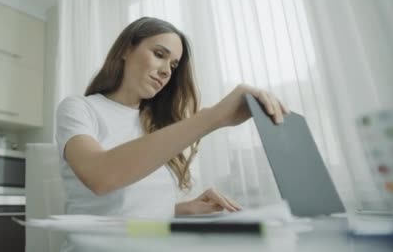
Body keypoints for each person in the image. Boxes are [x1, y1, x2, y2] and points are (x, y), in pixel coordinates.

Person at [55, 16, 289, 222]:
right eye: (159, 55)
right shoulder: (79, 108)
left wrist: (184, 209)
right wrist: (213, 116)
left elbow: (129, 212)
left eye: (173, 65)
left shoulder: (156, 125)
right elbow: (100, 176)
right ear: (126, 49)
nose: (167, 71)